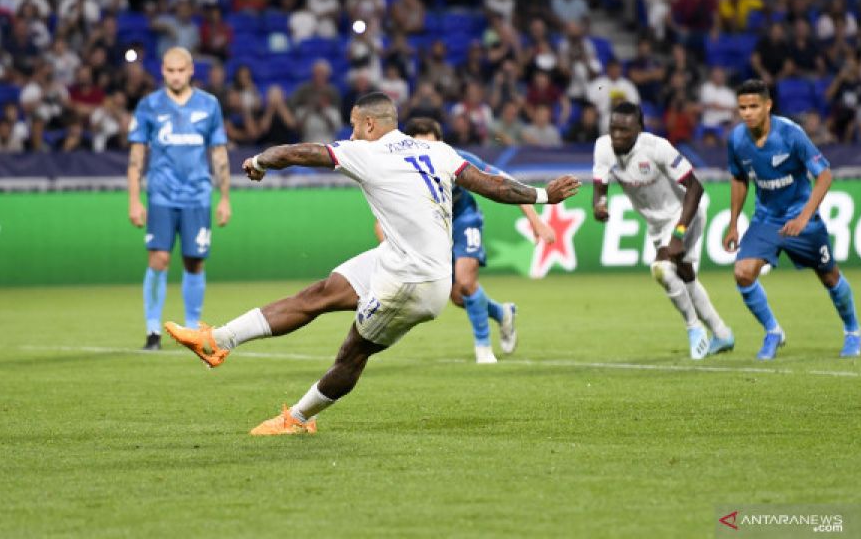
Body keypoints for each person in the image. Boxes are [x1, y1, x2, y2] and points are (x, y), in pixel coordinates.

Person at [166, 93, 582, 434]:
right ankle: (217, 341)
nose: (350, 133)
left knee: (352, 352)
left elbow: (301, 152)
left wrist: (259, 161)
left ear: (369, 125)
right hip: (395, 256)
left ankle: (297, 418)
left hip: (414, 281)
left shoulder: (366, 153)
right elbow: (491, 185)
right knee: (318, 294)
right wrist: (544, 196)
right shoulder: (436, 150)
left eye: (353, 124)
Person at [723, 80, 861, 360]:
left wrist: (804, 217)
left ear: (767, 106)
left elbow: (824, 176)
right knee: (743, 272)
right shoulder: (737, 139)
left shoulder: (790, 134)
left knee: (829, 275)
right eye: (742, 108)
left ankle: (852, 331)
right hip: (766, 219)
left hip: (801, 218)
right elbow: (739, 178)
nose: (747, 113)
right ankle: (773, 331)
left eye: (753, 106)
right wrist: (734, 222)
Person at [401, 117, 555, 363]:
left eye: (432, 145)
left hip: (464, 219)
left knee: (465, 279)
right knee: (457, 296)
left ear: (441, 144)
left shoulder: (456, 158)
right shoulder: (399, 170)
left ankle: (483, 348)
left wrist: (535, 221)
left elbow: (505, 183)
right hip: (434, 229)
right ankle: (502, 313)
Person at [592, 102, 734, 359]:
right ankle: (722, 333)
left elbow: (695, 188)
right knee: (686, 276)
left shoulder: (657, 148)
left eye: (624, 130)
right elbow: (599, 189)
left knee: (662, 269)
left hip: (684, 214)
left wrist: (679, 234)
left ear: (639, 129)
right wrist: (599, 206)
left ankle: (694, 329)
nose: (616, 135)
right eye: (613, 129)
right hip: (656, 223)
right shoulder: (603, 148)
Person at [128, 47, 231, 351]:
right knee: (158, 259)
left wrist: (225, 198)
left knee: (194, 262)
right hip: (161, 194)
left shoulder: (209, 105)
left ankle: (190, 330)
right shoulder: (149, 106)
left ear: (190, 71)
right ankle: (152, 332)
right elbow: (136, 156)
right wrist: (134, 200)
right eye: (170, 70)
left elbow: (219, 153)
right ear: (163, 71)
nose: (175, 75)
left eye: (180, 70)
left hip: (198, 195)